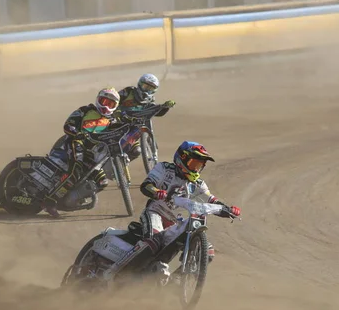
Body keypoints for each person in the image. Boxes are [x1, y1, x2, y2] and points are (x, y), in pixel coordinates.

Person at [102, 141, 241, 282]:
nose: (196, 169)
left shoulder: (198, 184)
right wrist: (156, 192)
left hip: (174, 221)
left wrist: (228, 209)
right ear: (182, 158)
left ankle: (176, 281)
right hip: (155, 211)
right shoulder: (164, 168)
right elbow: (146, 185)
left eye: (199, 166)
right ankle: (116, 272)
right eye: (194, 164)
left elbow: (211, 200)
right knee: (154, 241)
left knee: (207, 251)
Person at [43, 87, 121, 218]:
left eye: (111, 104)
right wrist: (78, 134)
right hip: (76, 143)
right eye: (104, 101)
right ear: (98, 99)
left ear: (116, 106)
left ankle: (69, 200)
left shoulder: (113, 121)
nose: (106, 106)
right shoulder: (84, 111)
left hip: (94, 154)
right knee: (76, 171)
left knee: (102, 181)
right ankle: (49, 202)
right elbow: (67, 126)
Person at [116, 73, 176, 161]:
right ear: (140, 85)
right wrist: (117, 112)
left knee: (137, 151)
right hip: (118, 122)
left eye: (151, 89)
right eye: (145, 87)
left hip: (132, 129)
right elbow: (114, 99)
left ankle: (120, 165)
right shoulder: (128, 91)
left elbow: (156, 112)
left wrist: (165, 107)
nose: (147, 91)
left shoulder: (150, 100)